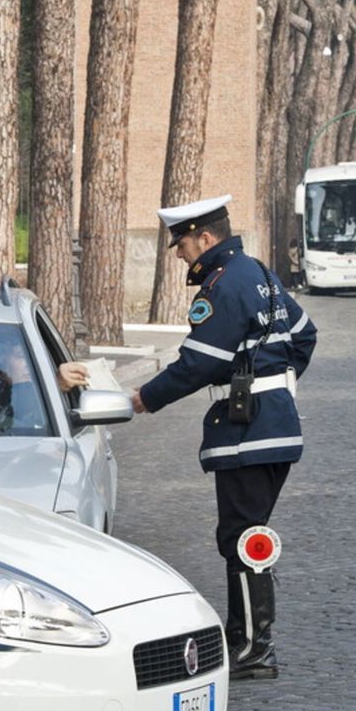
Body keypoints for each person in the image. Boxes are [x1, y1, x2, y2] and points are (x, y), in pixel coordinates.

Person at [128, 195, 317, 680]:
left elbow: (199, 364)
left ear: (206, 238)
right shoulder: (257, 272)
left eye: (182, 241)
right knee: (245, 535)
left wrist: (144, 398)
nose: (177, 252)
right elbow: (304, 334)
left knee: (244, 539)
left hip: (247, 433)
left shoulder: (224, 285)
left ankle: (255, 648)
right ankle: (246, 638)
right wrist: (275, 384)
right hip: (273, 425)